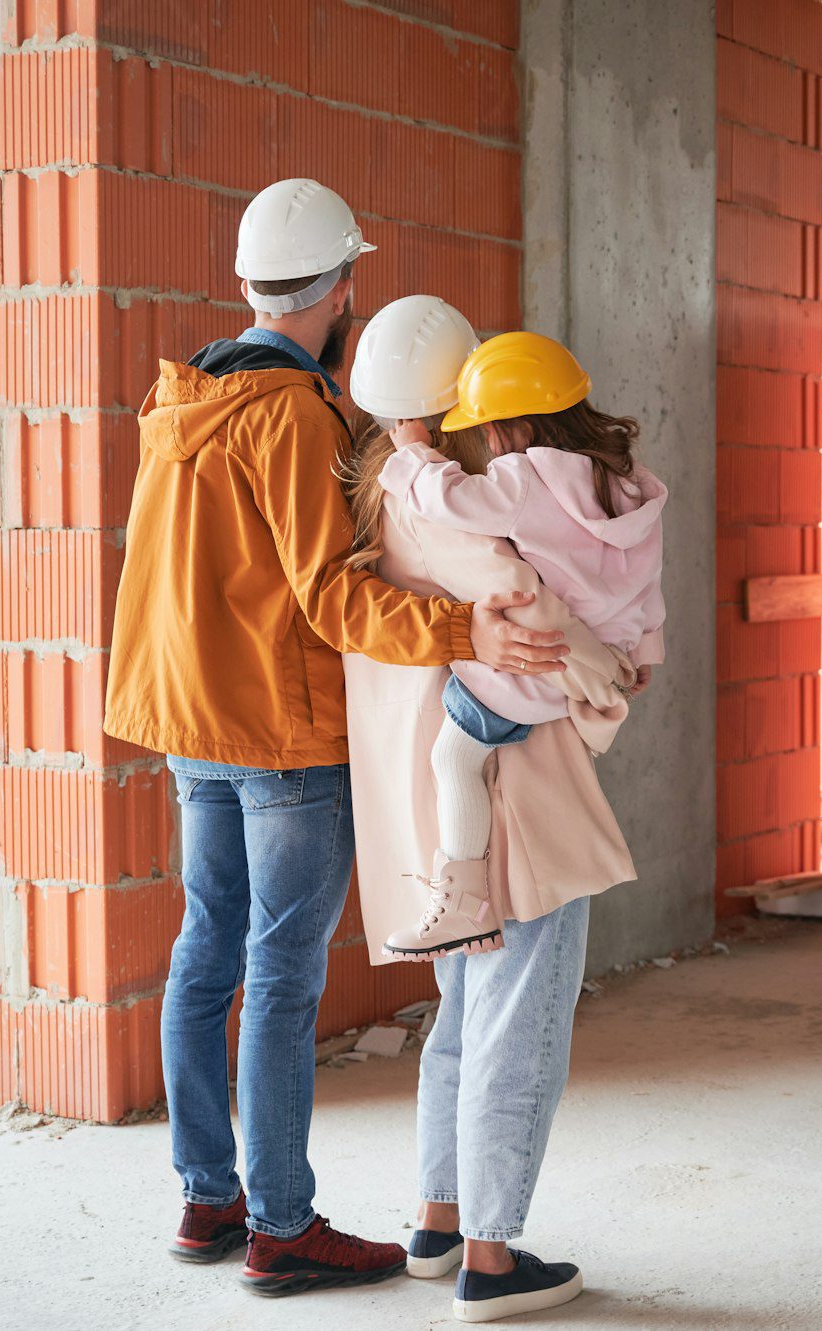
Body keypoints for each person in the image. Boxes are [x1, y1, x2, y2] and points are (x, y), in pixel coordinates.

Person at [104, 179, 572, 1296]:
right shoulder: (295, 417)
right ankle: (280, 1225)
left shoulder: (181, 404)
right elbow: (331, 596)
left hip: (186, 720)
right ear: (345, 289)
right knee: (277, 972)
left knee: (205, 948)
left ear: (252, 283)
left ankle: (207, 1197)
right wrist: (467, 626)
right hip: (275, 731)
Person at [340, 324, 665, 1322]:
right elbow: (536, 623)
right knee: (518, 1023)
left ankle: (440, 1220)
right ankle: (490, 1252)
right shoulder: (469, 519)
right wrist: (610, 678)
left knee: (464, 1013)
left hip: (438, 795)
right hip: (515, 795)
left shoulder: (381, 498)